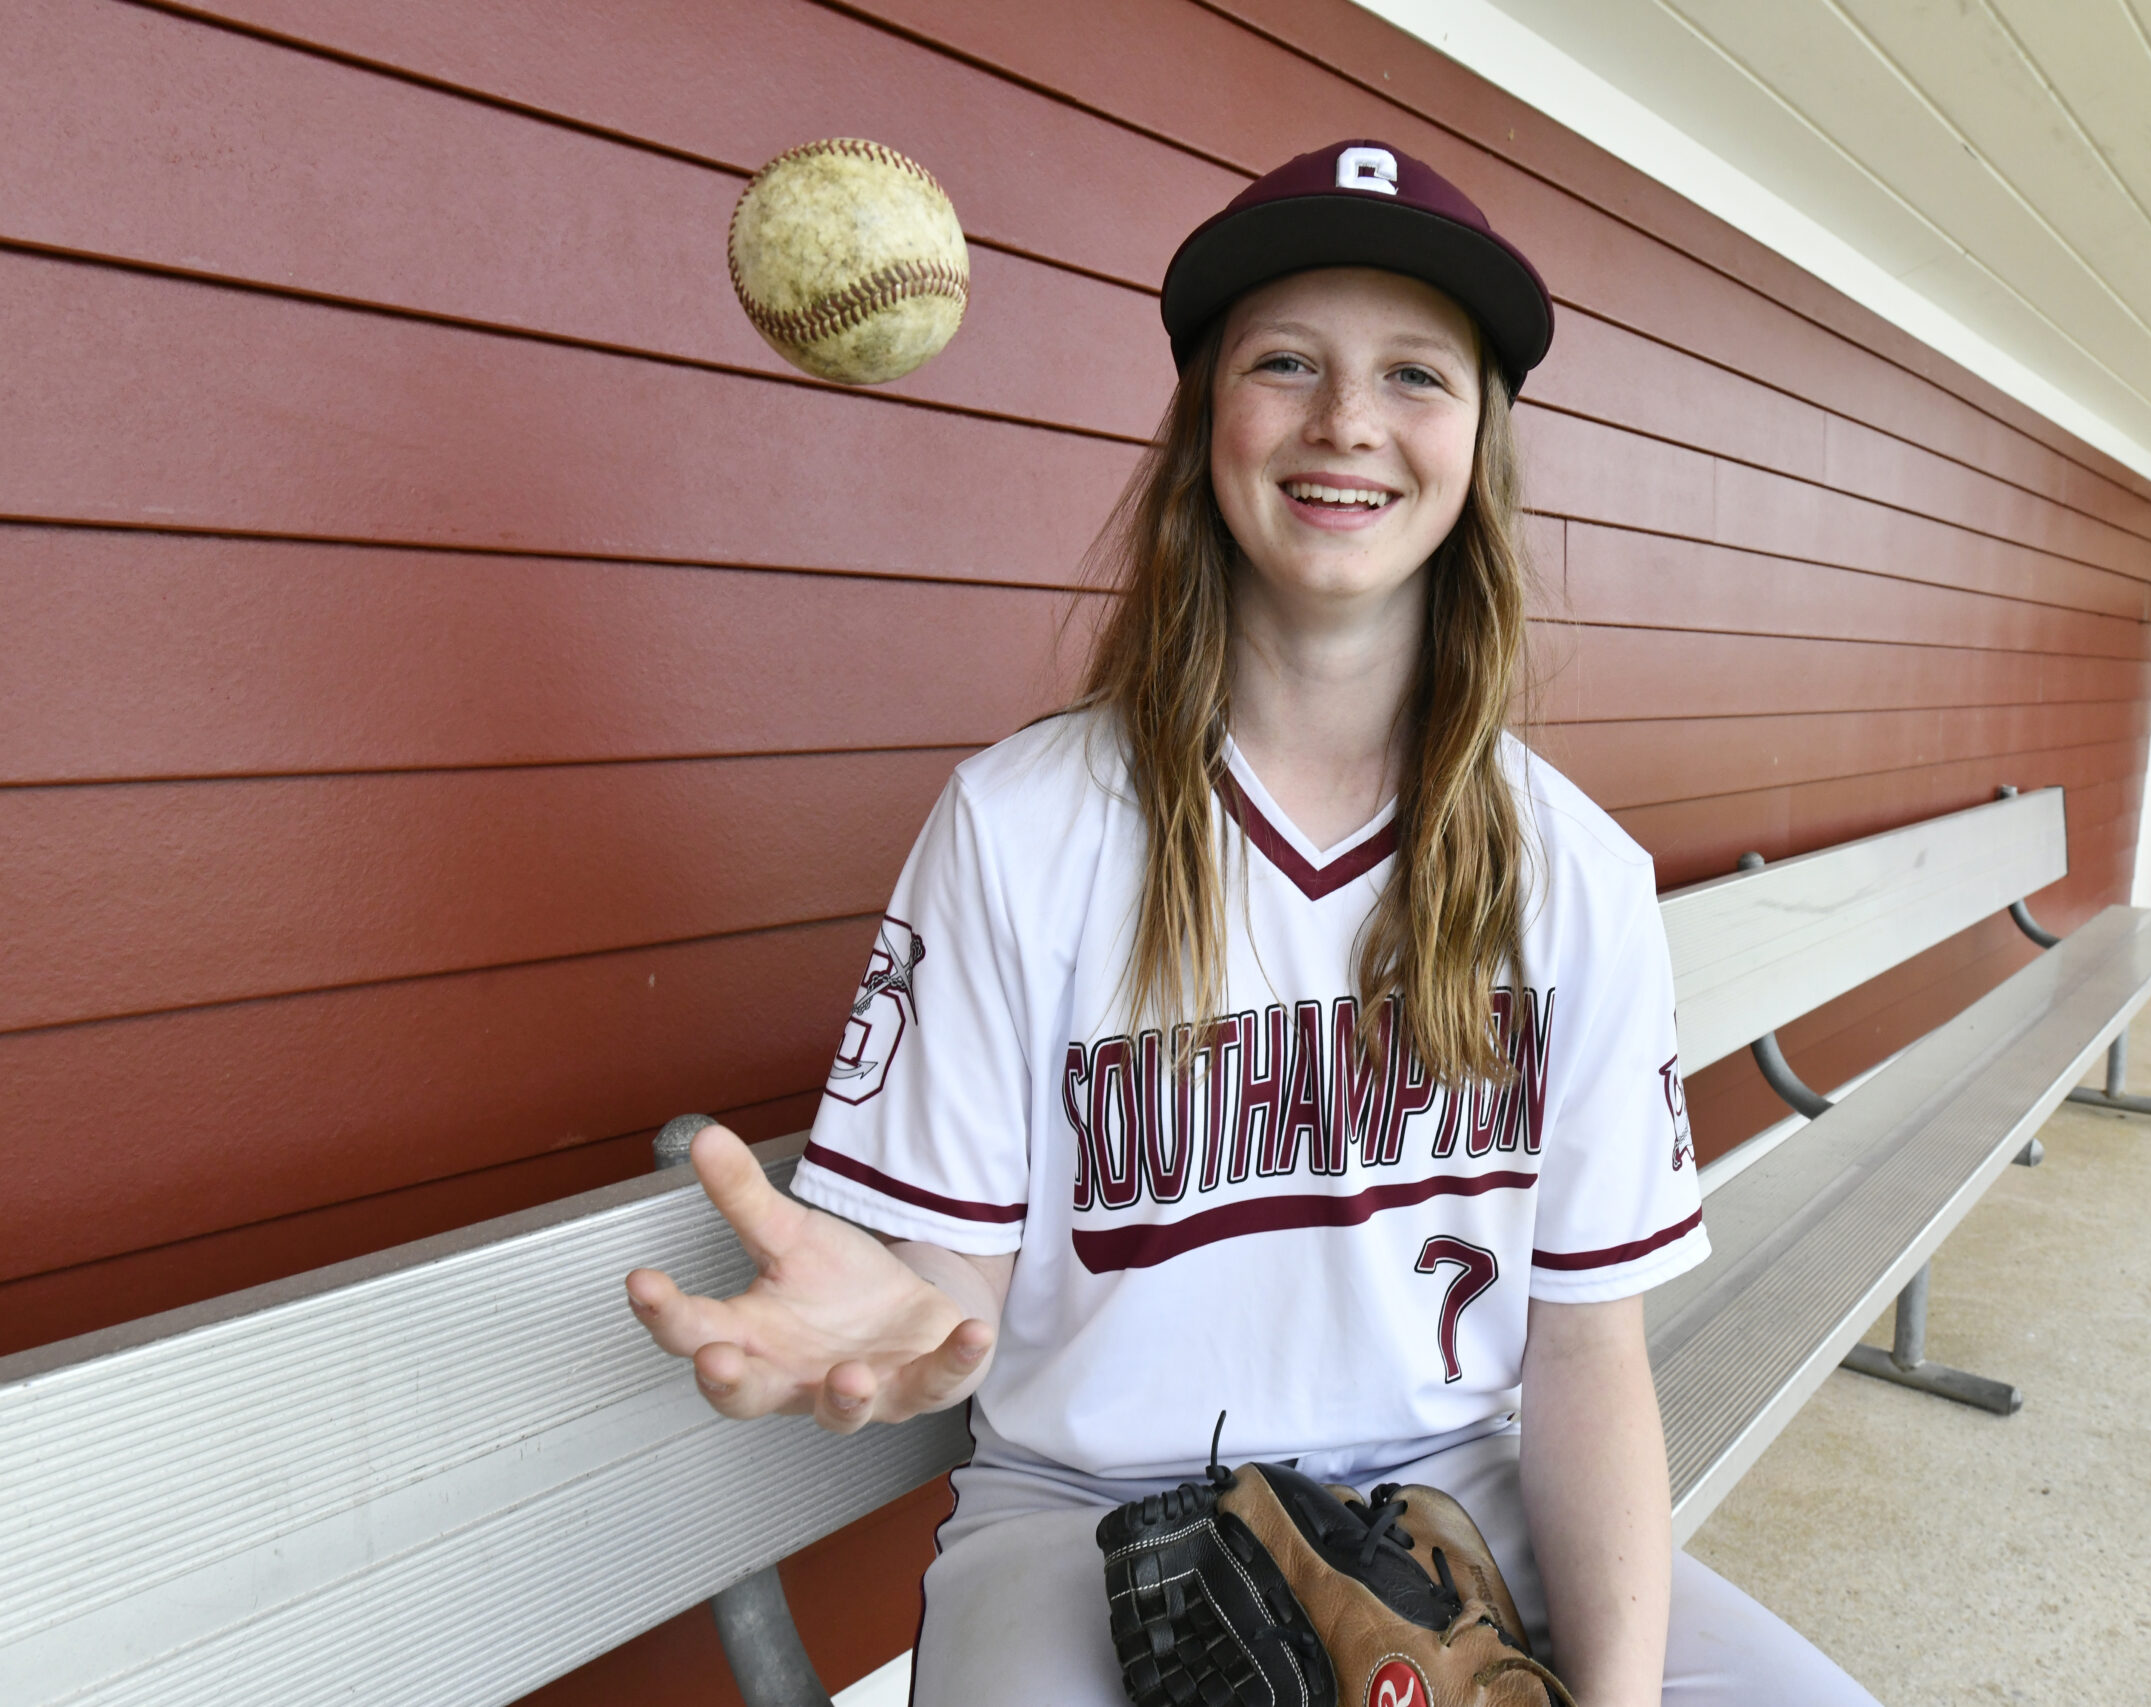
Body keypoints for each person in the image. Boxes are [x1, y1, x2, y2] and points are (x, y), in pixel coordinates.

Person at [627, 140, 1878, 1707]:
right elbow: (954, 1284)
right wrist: (902, 1305)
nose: (1347, 419)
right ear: (1204, 422)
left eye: (1415, 373)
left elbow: (1583, 1359)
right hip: (1080, 1509)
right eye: (1285, 362)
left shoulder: (1574, 870)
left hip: (1454, 1483)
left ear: (1480, 442)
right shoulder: (1022, 827)